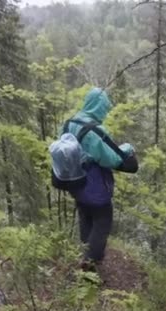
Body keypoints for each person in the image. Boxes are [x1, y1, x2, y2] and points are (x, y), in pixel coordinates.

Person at [55, 87, 138, 271]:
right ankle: (89, 264)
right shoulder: (94, 130)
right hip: (93, 182)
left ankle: (86, 254)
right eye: (104, 108)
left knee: (85, 215)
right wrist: (127, 149)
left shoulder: (69, 123)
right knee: (102, 220)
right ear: (99, 107)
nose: (105, 112)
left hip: (74, 180)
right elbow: (111, 158)